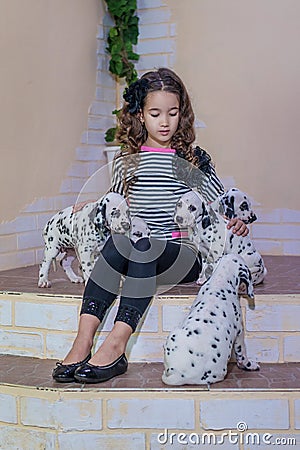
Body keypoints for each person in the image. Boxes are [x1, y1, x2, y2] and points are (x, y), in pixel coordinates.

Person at [52, 67, 248, 383]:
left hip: (183, 255)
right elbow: (114, 202)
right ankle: (83, 340)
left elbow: (219, 202)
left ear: (181, 114)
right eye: (155, 113)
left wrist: (235, 221)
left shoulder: (190, 159)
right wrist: (90, 206)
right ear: (141, 115)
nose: (165, 121)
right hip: (142, 252)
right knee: (119, 242)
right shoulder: (129, 161)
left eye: (172, 112)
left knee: (139, 244)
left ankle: (116, 344)